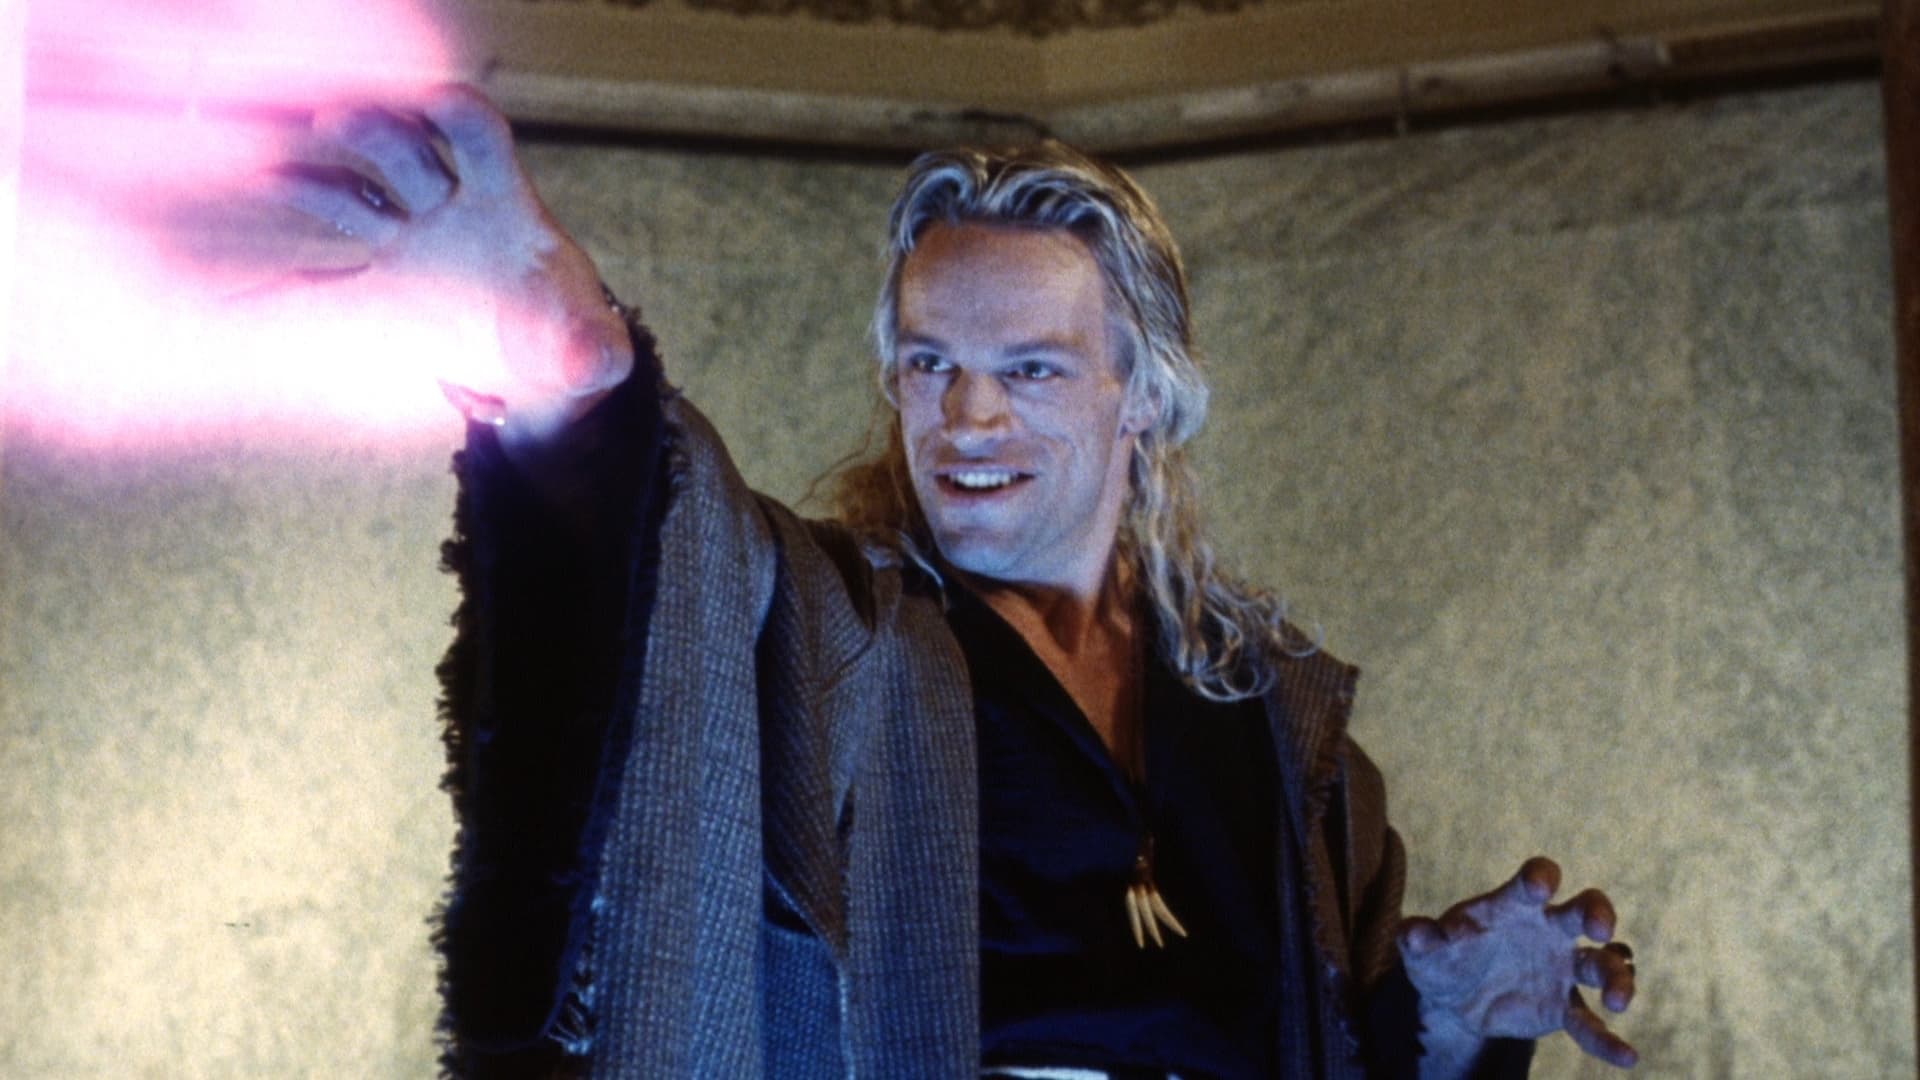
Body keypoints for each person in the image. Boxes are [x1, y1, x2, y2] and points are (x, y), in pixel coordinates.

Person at [273, 87, 1638, 1079]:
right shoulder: (840, 636)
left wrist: (1452, 1016)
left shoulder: (1275, 727)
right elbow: (674, 553)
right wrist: (576, 380)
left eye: (1030, 369)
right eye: (930, 363)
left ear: (1145, 396)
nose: (967, 417)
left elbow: (1343, 1058)